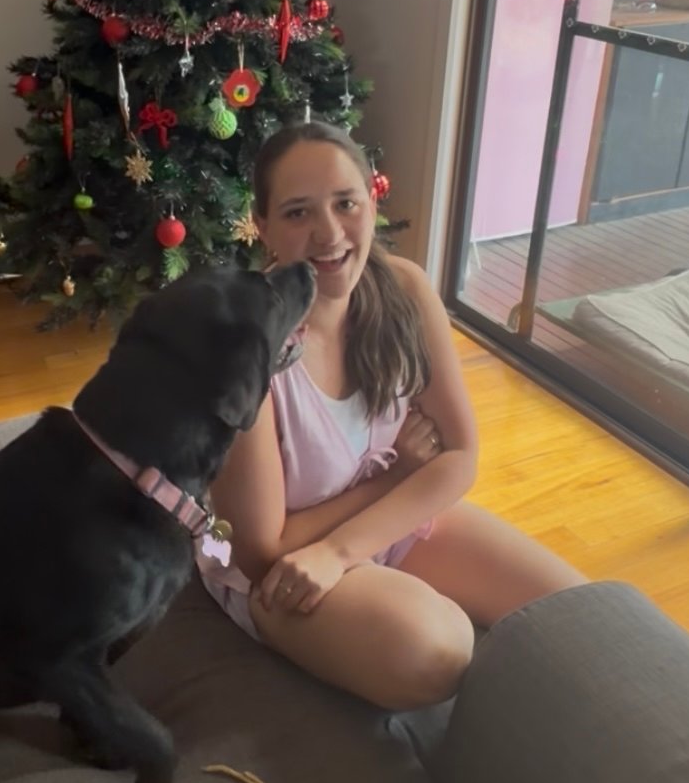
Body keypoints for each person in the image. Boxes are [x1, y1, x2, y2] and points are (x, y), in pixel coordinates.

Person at [201, 122, 585, 710]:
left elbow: (459, 456)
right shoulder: (241, 346)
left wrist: (345, 543)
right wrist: (397, 477)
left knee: (581, 611)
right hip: (282, 573)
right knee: (438, 649)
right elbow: (261, 551)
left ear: (372, 202)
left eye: (346, 203)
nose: (330, 233)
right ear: (263, 225)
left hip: (383, 525)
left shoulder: (405, 287)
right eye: (299, 213)